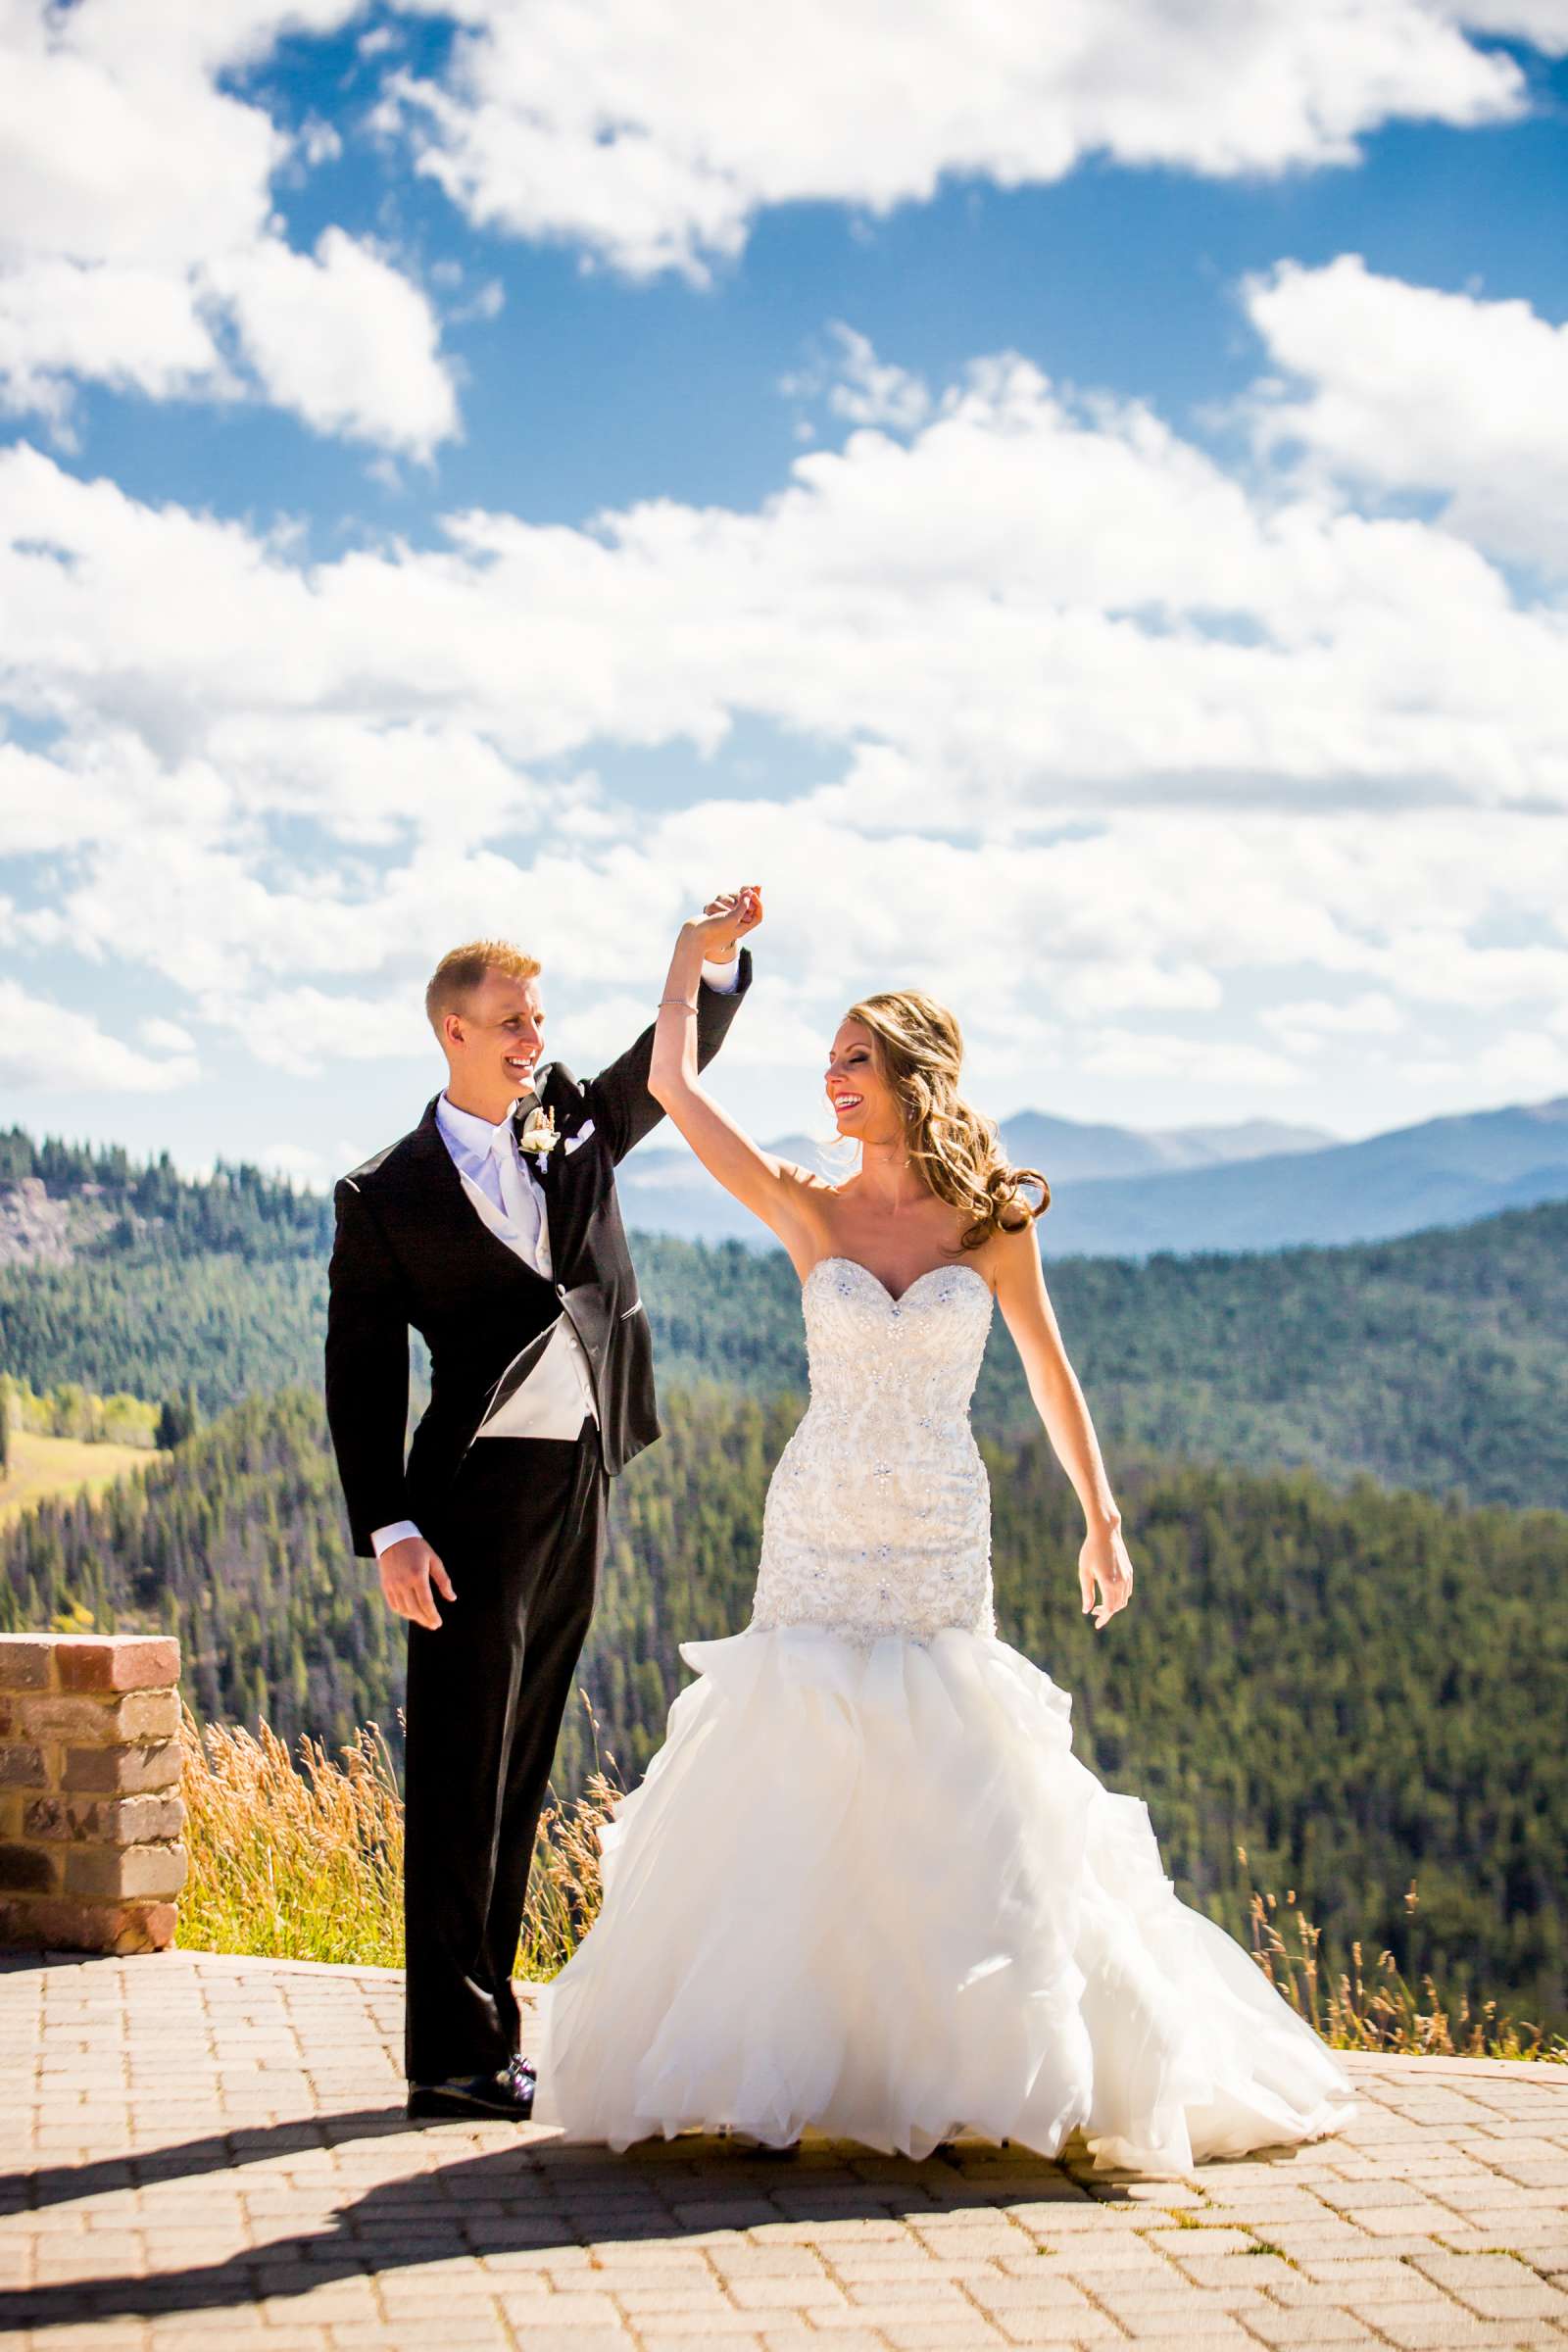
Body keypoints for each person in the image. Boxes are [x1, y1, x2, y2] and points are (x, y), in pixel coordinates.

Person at [529, 905, 1354, 2173]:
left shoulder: (992, 1226)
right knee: (800, 1761)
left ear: (912, 1077)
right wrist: (688, 957)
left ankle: (973, 2058)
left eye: (854, 1060)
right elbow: (670, 1086)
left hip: (937, 1528)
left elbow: (1051, 1375)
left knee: (956, 1769)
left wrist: (1102, 1517)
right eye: (830, 1063)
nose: (833, 1081)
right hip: (820, 1518)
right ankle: (778, 2062)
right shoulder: (807, 1205)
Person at [323, 893, 759, 2122]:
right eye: (510, 1020)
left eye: (538, 1018)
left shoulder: (571, 1120)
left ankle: (488, 2032)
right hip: (467, 1505)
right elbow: (359, 1375)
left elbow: (661, 1070)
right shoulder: (384, 1195)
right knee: (462, 1773)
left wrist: (703, 969)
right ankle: (450, 2057)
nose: (531, 1037)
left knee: (523, 1766)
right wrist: (391, 1531)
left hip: (582, 1476)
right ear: (452, 1032)